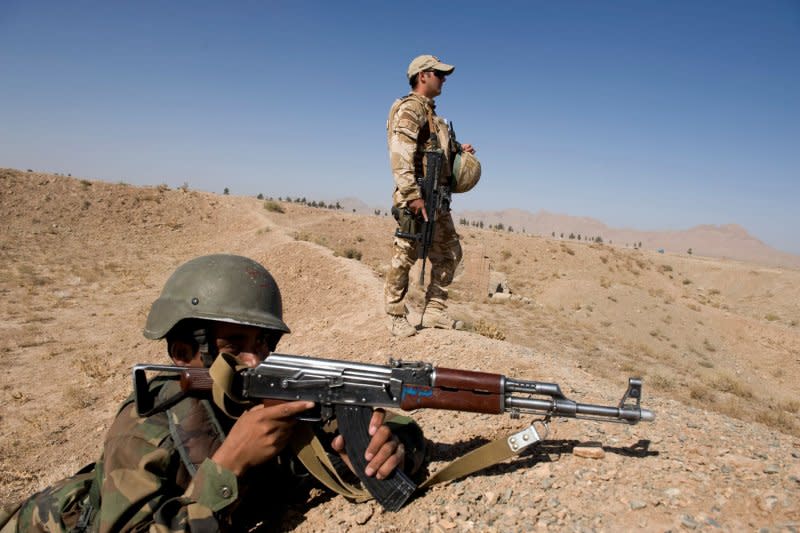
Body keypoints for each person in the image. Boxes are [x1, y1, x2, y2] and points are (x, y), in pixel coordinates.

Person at [1, 254, 426, 532]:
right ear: (184, 351)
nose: (255, 362)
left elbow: (391, 424)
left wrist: (391, 446)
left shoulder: (268, 395)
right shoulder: (146, 430)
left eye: (263, 344)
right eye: (235, 346)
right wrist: (229, 466)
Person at [385, 54, 478, 337]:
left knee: (450, 251)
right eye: (438, 73)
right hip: (417, 198)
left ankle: (435, 311)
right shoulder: (410, 108)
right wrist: (412, 195)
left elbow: (433, 149)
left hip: (436, 200)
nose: (444, 78)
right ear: (423, 75)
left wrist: (458, 150)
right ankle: (395, 314)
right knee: (405, 254)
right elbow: (401, 154)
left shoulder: (434, 118)